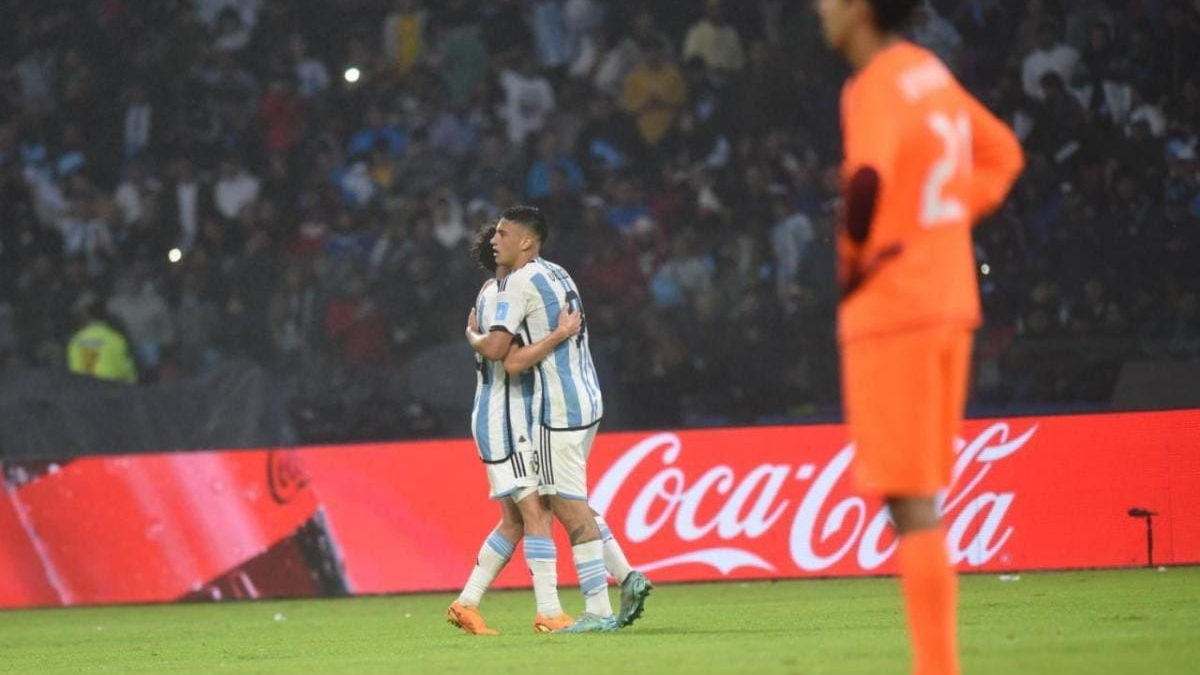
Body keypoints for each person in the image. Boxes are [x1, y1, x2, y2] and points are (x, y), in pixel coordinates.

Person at [813, 2, 1025, 674]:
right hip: (950, 301)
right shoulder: (929, 72)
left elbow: (867, 180)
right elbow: (1003, 154)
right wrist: (944, 218)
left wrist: (854, 263)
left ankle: (937, 666)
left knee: (909, 499)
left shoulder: (873, 82)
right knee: (919, 494)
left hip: (894, 308)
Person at [467, 206, 652, 633]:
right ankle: (626, 575)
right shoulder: (560, 273)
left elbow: (505, 357)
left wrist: (471, 335)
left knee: (563, 507)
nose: (495, 240)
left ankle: (596, 610)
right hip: (587, 397)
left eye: (503, 234)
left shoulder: (514, 285)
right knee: (564, 501)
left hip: (555, 408)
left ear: (526, 241)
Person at [449, 223, 583, 635]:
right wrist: (559, 334)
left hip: (504, 415)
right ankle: (549, 612)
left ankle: (466, 603)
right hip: (505, 418)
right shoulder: (502, 297)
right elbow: (504, 356)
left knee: (514, 522)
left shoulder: (492, 294)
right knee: (537, 512)